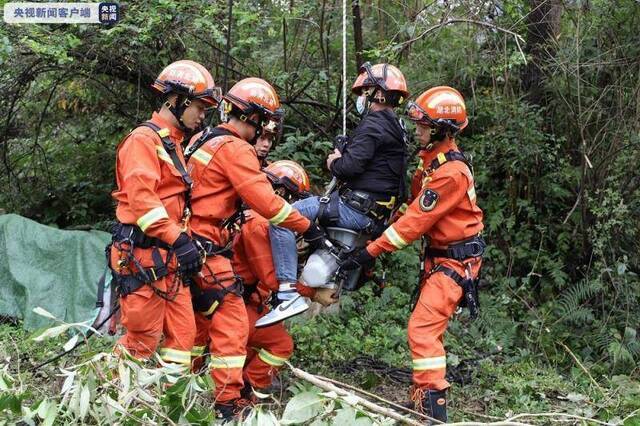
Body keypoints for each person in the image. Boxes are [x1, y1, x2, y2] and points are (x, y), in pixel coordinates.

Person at [341, 86, 486, 422]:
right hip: (440, 257)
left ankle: (434, 414)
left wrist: (370, 252)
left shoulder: (450, 173)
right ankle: (422, 398)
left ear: (440, 129)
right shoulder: (431, 165)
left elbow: (415, 224)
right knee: (424, 330)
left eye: (423, 126)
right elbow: (412, 209)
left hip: (454, 261)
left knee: (422, 330)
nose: (417, 130)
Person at [185, 77, 325, 421]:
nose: (263, 135)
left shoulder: (203, 140)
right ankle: (229, 404)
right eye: (263, 125)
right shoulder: (235, 149)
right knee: (232, 326)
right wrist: (309, 228)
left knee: (195, 333)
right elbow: (268, 204)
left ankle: (185, 391)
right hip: (206, 246)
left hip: (190, 243)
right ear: (255, 118)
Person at [257, 62, 410, 327]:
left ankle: (286, 292)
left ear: (378, 93)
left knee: (281, 217)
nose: (362, 99)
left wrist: (334, 162)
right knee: (308, 226)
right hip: (373, 216)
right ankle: (315, 266)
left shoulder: (374, 122)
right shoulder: (397, 129)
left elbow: (349, 168)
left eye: (366, 92)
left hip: (352, 210)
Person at [108, 60, 219, 367]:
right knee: (141, 341)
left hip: (168, 258)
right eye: (198, 107)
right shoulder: (143, 140)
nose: (201, 115)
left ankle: (168, 404)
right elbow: (143, 202)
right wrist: (179, 239)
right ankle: (113, 398)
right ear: (176, 100)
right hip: (143, 255)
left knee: (183, 338)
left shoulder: (173, 143)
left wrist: (185, 241)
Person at [228, 160, 337, 399]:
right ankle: (246, 395)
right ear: (279, 193)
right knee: (280, 345)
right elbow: (272, 279)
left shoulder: (253, 218)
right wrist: (313, 293)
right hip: (234, 304)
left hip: (241, 301)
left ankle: (233, 396)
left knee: (241, 352)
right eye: (294, 200)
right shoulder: (258, 223)